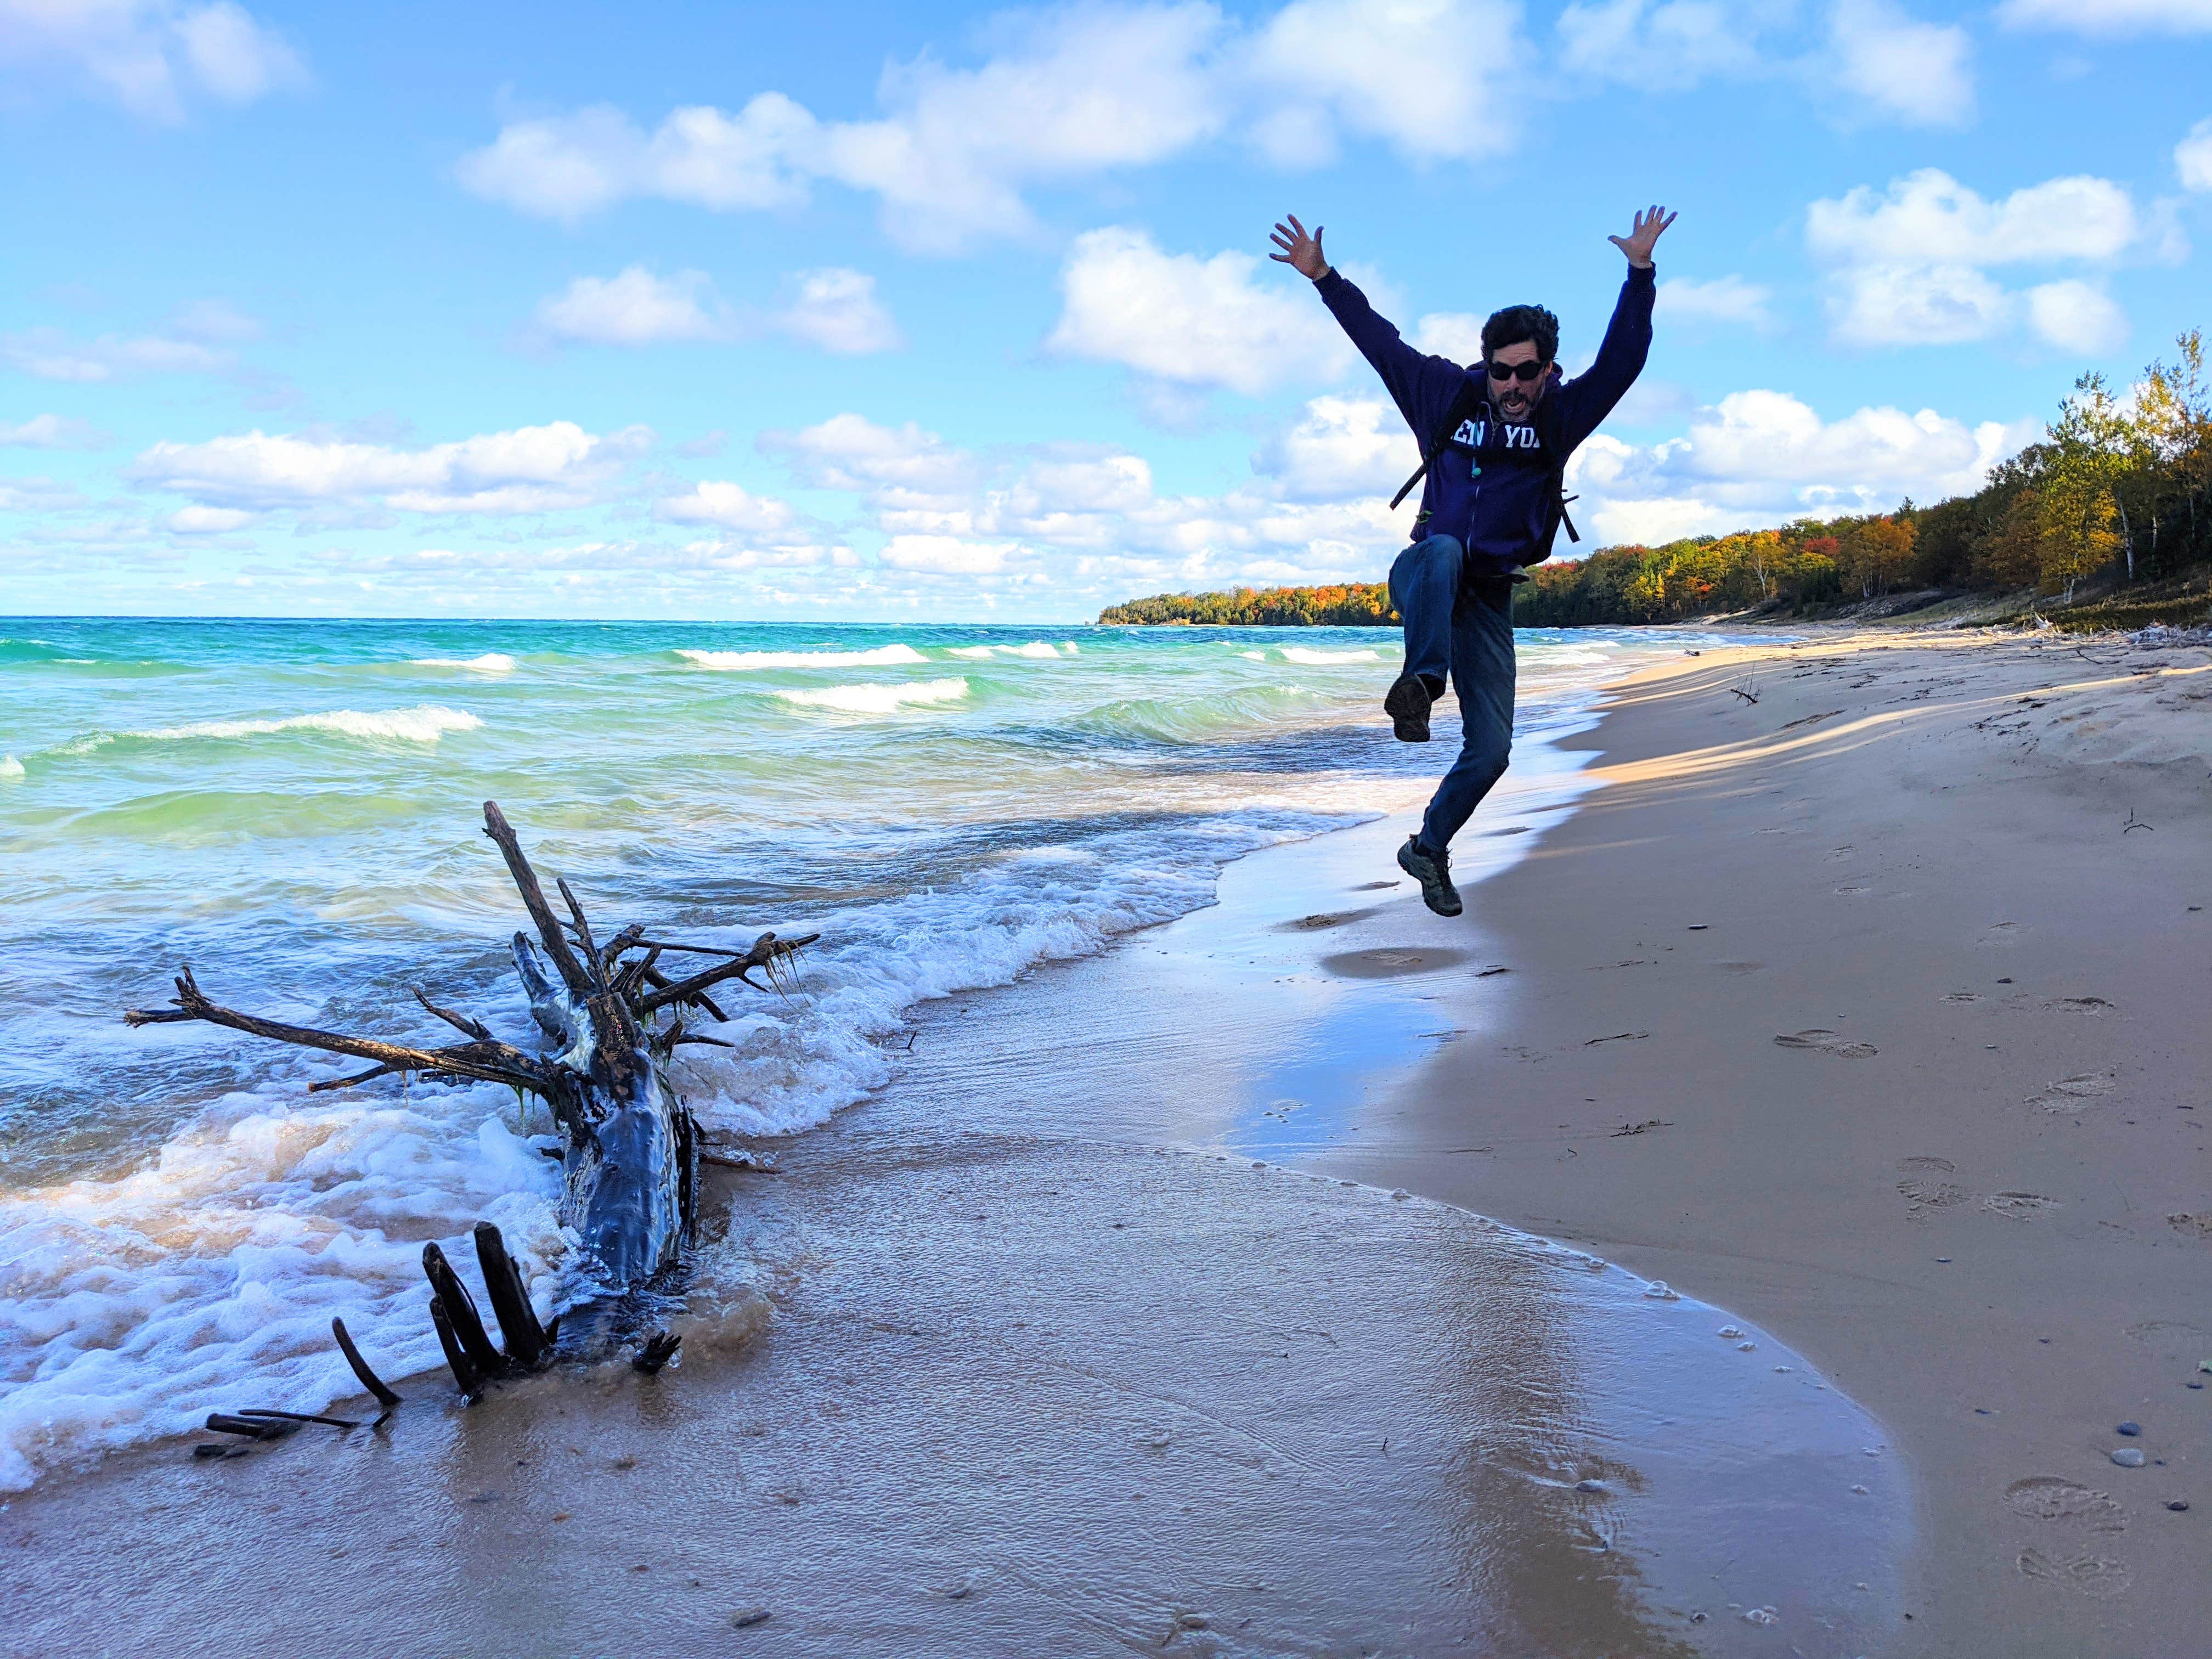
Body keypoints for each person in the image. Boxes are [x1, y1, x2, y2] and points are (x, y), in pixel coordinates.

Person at [1269, 205, 1675, 917]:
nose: (1514, 386)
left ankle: (1428, 847)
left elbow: (1624, 362)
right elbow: (1380, 343)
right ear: (1485, 366)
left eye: (1528, 373)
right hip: (1427, 573)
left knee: (1492, 752)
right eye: (1502, 372)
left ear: (1549, 370)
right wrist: (1325, 278)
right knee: (1446, 548)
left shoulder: (1560, 416)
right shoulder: (1443, 396)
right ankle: (1422, 684)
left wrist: (1639, 274)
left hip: (1487, 599)